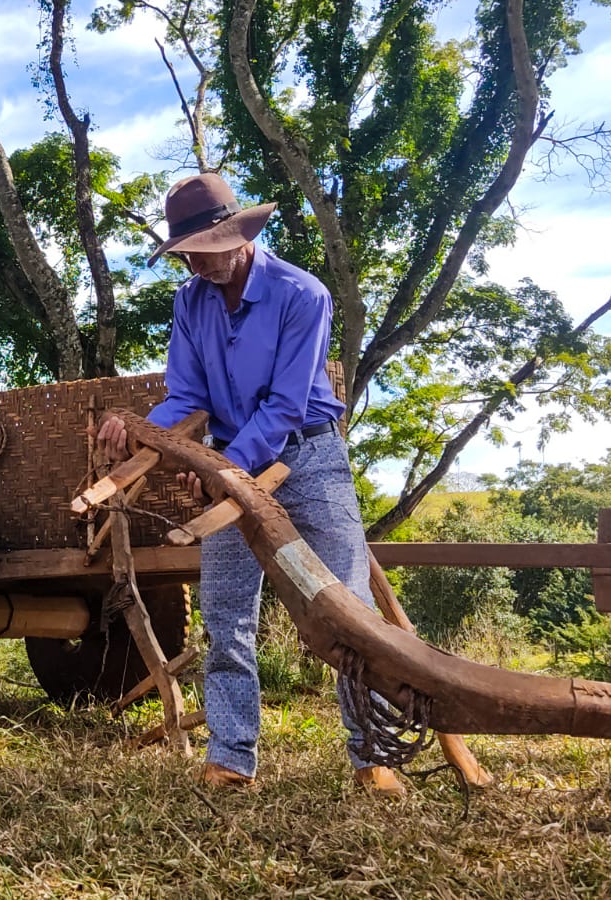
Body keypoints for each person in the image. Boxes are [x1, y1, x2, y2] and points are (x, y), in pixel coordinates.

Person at [94, 173, 405, 795]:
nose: (196, 264)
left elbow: (288, 406)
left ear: (240, 237)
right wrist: (137, 430)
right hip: (226, 464)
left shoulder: (301, 294)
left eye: (205, 250)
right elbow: (187, 395)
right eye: (187, 254)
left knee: (348, 605)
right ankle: (233, 759)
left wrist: (223, 470)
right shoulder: (191, 302)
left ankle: (374, 757)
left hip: (307, 460)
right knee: (226, 612)